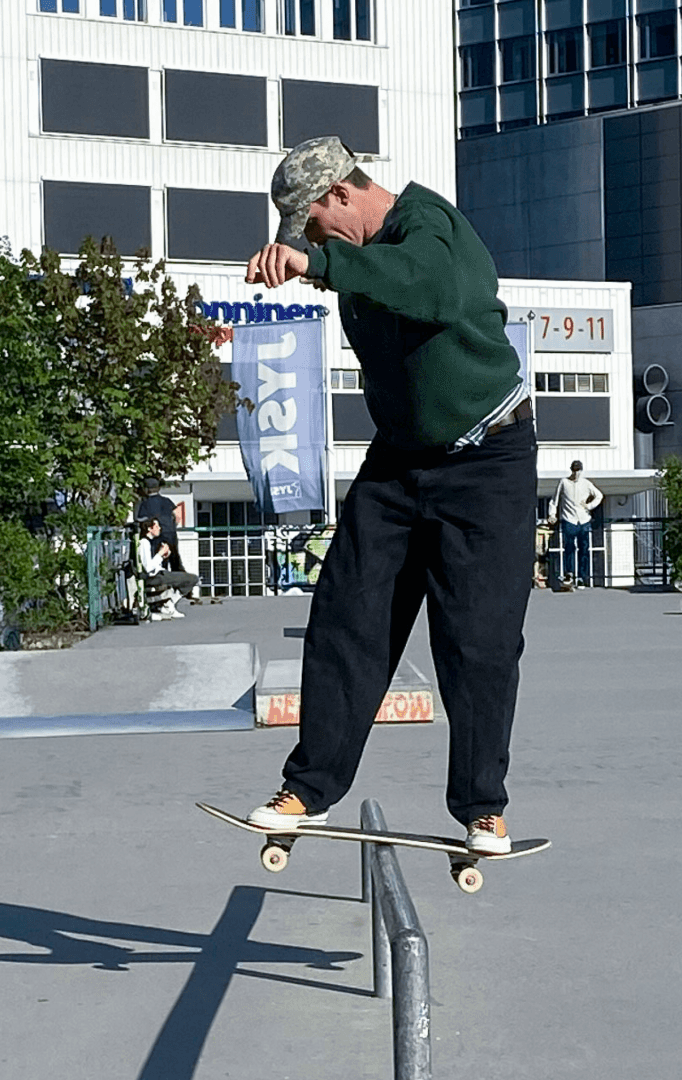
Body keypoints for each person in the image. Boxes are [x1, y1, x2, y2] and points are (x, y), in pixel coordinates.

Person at [241, 136, 534, 855]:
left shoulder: (433, 226)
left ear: (340, 195)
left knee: (478, 639)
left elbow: (427, 287)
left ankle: (481, 807)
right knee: (347, 616)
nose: (315, 248)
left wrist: (322, 261)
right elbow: (375, 286)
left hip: (487, 460)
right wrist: (319, 264)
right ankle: (307, 789)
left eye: (314, 228)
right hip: (400, 462)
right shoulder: (357, 256)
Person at [550, 460, 604, 590]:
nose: (576, 473)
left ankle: (582, 577)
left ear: (581, 470)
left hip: (584, 520)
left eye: (578, 470)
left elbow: (599, 495)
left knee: (584, 549)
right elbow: (554, 500)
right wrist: (552, 514)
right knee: (569, 547)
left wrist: (589, 506)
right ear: (571, 470)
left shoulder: (586, 483)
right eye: (574, 470)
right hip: (569, 519)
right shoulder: (564, 482)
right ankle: (569, 574)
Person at [137, 517, 199, 621]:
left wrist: (163, 556)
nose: (159, 528)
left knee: (189, 578)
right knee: (191, 579)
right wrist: (160, 555)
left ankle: (167, 603)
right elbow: (148, 567)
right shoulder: (144, 542)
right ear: (149, 528)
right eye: (156, 526)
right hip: (154, 576)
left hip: (159, 573)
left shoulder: (150, 542)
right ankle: (168, 604)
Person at [133, 480, 187, 573]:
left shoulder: (145, 503)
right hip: (170, 533)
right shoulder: (166, 501)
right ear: (158, 488)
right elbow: (178, 515)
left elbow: (140, 519)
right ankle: (180, 580)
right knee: (175, 559)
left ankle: (163, 581)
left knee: (160, 560)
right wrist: (173, 525)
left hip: (156, 536)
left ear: (147, 490)